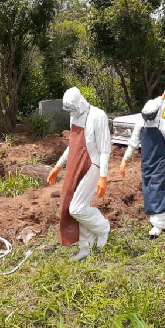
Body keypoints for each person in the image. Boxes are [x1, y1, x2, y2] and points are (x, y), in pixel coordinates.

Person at [47, 87, 111, 261]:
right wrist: (58, 166)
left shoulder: (98, 116)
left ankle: (103, 228)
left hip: (93, 165)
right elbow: (72, 144)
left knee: (77, 208)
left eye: (73, 109)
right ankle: (86, 247)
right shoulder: (74, 116)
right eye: (69, 111)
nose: (71, 113)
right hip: (76, 165)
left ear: (80, 103)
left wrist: (103, 177)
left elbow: (105, 149)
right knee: (73, 206)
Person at [119, 99, 165, 237]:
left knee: (157, 190)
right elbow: (133, 143)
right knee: (149, 190)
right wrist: (125, 159)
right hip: (146, 163)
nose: (148, 119)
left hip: (161, 163)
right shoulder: (141, 124)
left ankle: (157, 225)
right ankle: (163, 210)